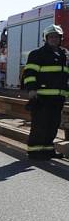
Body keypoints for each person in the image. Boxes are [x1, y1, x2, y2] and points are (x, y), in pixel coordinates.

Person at [22, 24, 68, 160]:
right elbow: (29, 73)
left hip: (58, 97)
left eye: (56, 37)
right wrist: (31, 90)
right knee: (40, 125)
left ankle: (48, 150)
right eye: (51, 37)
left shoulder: (64, 55)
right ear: (46, 38)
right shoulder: (37, 54)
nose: (54, 39)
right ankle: (34, 151)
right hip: (42, 97)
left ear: (61, 38)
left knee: (53, 125)